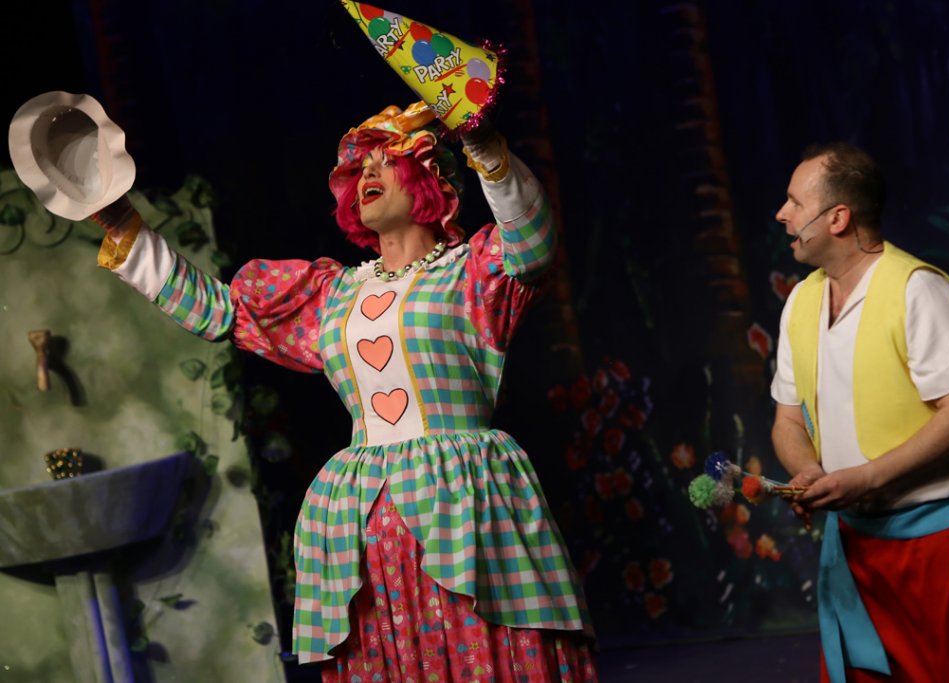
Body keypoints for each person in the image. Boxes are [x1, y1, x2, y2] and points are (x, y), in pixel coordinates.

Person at [90, 101, 597, 682]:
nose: (368, 175)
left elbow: (530, 243)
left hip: (465, 502)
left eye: (387, 161)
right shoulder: (333, 294)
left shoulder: (470, 271)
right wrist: (123, 227)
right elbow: (220, 311)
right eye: (360, 169)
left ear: (430, 177)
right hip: (365, 517)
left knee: (486, 653)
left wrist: (487, 151)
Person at [769, 142, 949, 682]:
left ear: (838, 218)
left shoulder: (918, 291)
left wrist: (863, 478)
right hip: (857, 550)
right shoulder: (801, 303)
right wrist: (808, 471)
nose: (781, 214)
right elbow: (787, 420)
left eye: (795, 202)